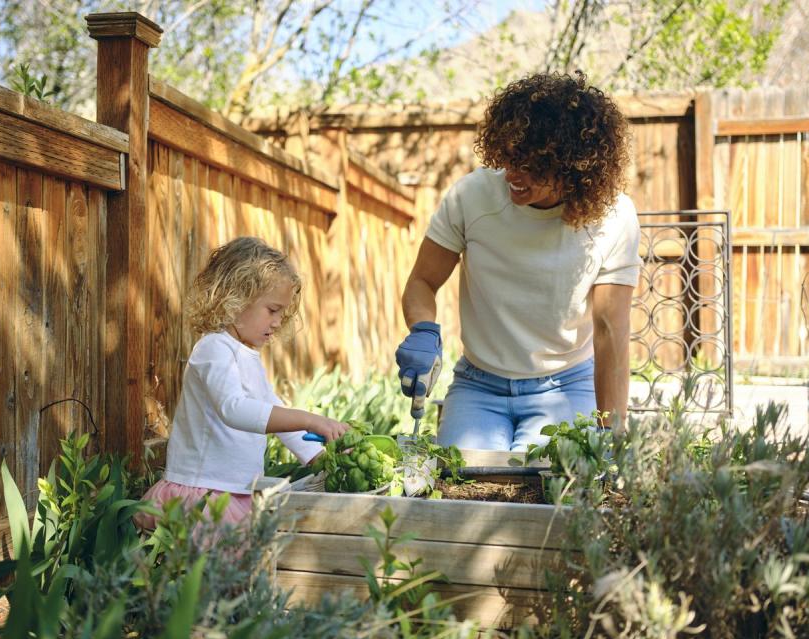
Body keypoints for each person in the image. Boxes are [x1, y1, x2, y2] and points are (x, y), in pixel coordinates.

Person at [396, 71, 641, 452]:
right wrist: (423, 330)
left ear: (575, 168)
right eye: (510, 158)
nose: (513, 174)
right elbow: (422, 282)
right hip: (479, 383)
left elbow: (610, 330)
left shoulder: (613, 218)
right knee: (462, 484)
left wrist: (612, 431)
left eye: (533, 166)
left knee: (554, 490)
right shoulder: (472, 197)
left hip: (565, 384)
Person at [137, 236, 349, 530]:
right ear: (234, 299)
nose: (277, 322)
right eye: (272, 310)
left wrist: (318, 456)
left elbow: (268, 407)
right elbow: (234, 409)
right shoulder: (213, 349)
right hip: (204, 495)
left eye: (282, 313)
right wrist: (311, 420)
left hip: (236, 494)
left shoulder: (247, 355)